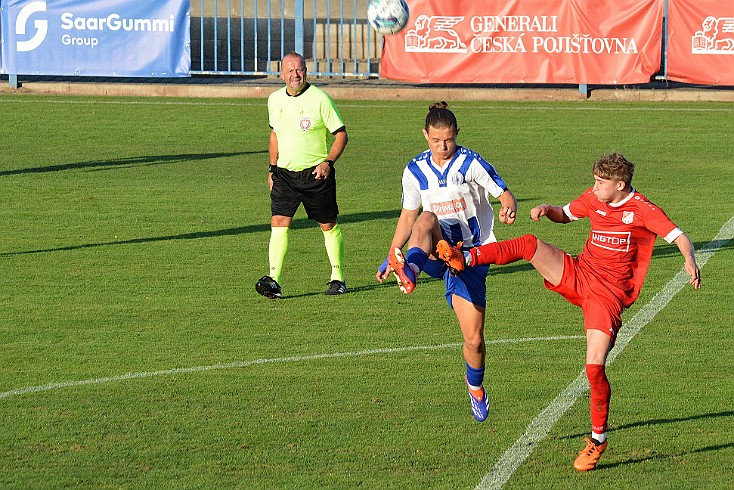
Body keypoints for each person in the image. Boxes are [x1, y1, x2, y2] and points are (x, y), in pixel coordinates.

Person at [436, 152, 701, 471]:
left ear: (620, 184)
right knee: (529, 244)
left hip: (608, 296)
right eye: (595, 181)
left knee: (594, 367)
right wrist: (548, 210)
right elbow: (567, 214)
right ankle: (465, 258)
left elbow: (679, 236)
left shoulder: (642, 209)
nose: (594, 187)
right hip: (580, 272)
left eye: (601, 183)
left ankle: (598, 440)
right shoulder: (594, 196)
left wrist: (689, 258)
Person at [376, 101, 518, 422]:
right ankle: (409, 270)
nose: (443, 146)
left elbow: (504, 193)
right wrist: (392, 252)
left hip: (470, 256)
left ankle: (476, 388)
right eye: (436, 139)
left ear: (457, 135)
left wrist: (509, 206)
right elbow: (408, 215)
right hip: (434, 248)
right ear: (425, 134)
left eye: (449, 139)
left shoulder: (470, 163)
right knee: (426, 218)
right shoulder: (414, 170)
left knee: (474, 339)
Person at [256, 52, 349, 298]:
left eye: (299, 70)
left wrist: (327, 162)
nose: (295, 75)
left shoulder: (320, 99)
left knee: (327, 225)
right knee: (278, 222)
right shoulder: (274, 100)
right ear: (282, 74)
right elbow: (274, 134)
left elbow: (341, 134)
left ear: (305, 71)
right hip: (284, 176)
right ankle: (274, 280)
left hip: (315, 176)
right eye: (290, 70)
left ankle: (337, 277)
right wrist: (272, 168)